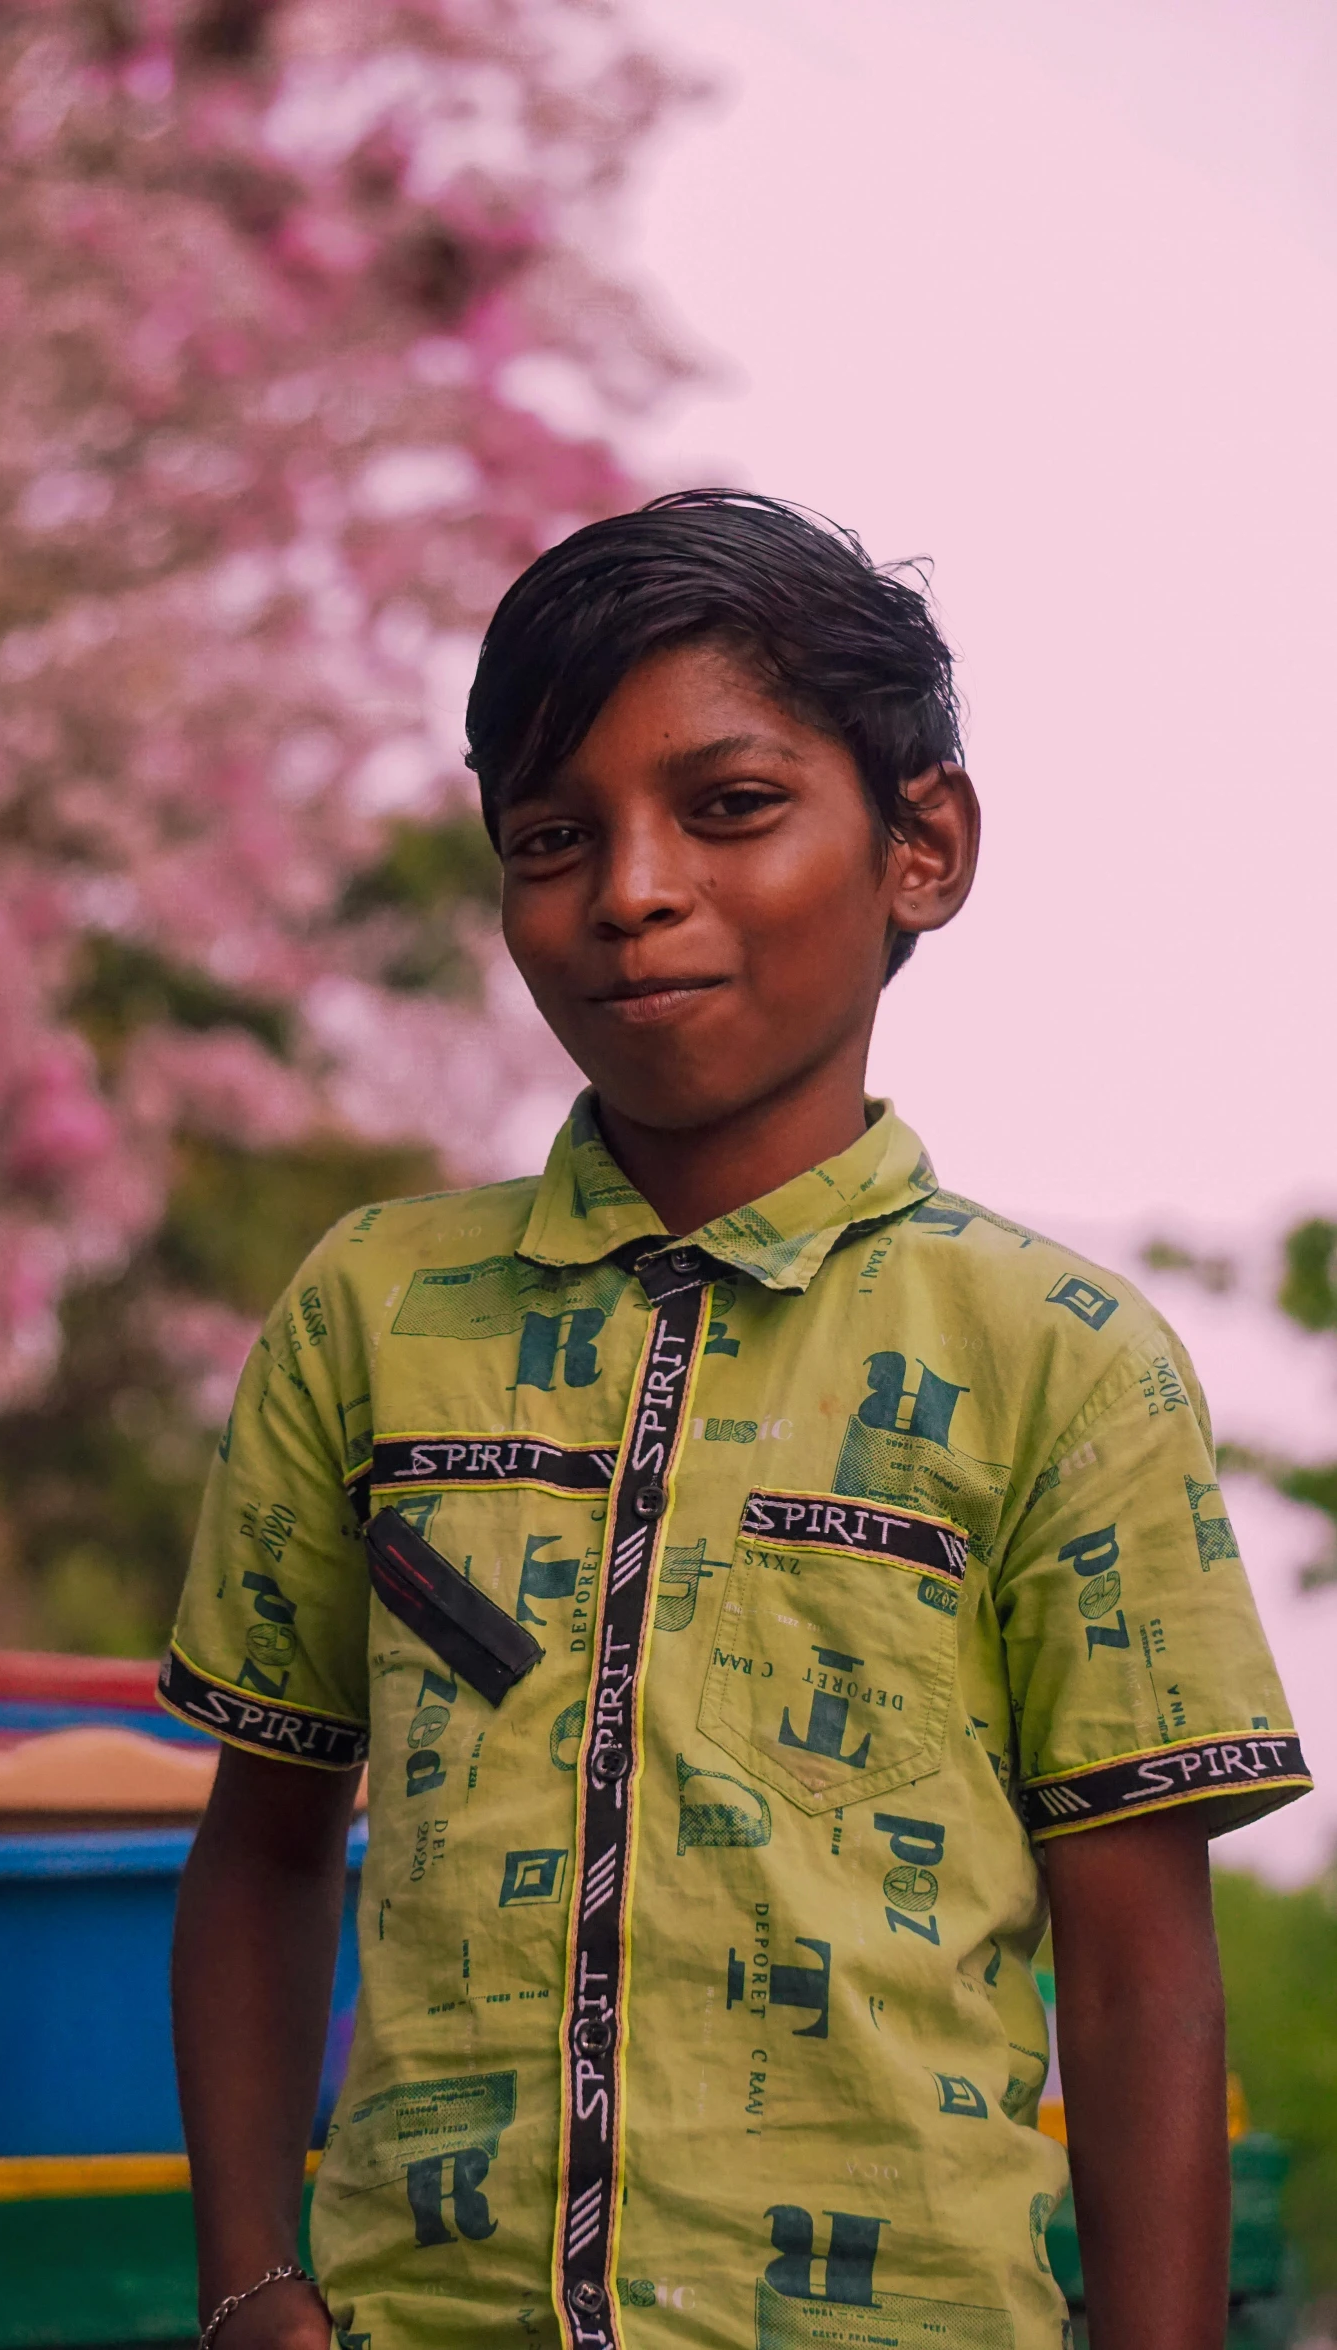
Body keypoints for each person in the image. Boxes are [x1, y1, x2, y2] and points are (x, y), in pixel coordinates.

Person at [164, 491, 1310, 2350]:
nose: (629, 888)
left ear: (919, 845)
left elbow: (1137, 1981)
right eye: (554, 836)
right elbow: (265, 1843)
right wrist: (249, 2286)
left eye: (728, 806)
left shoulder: (1059, 1354)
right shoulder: (371, 1312)